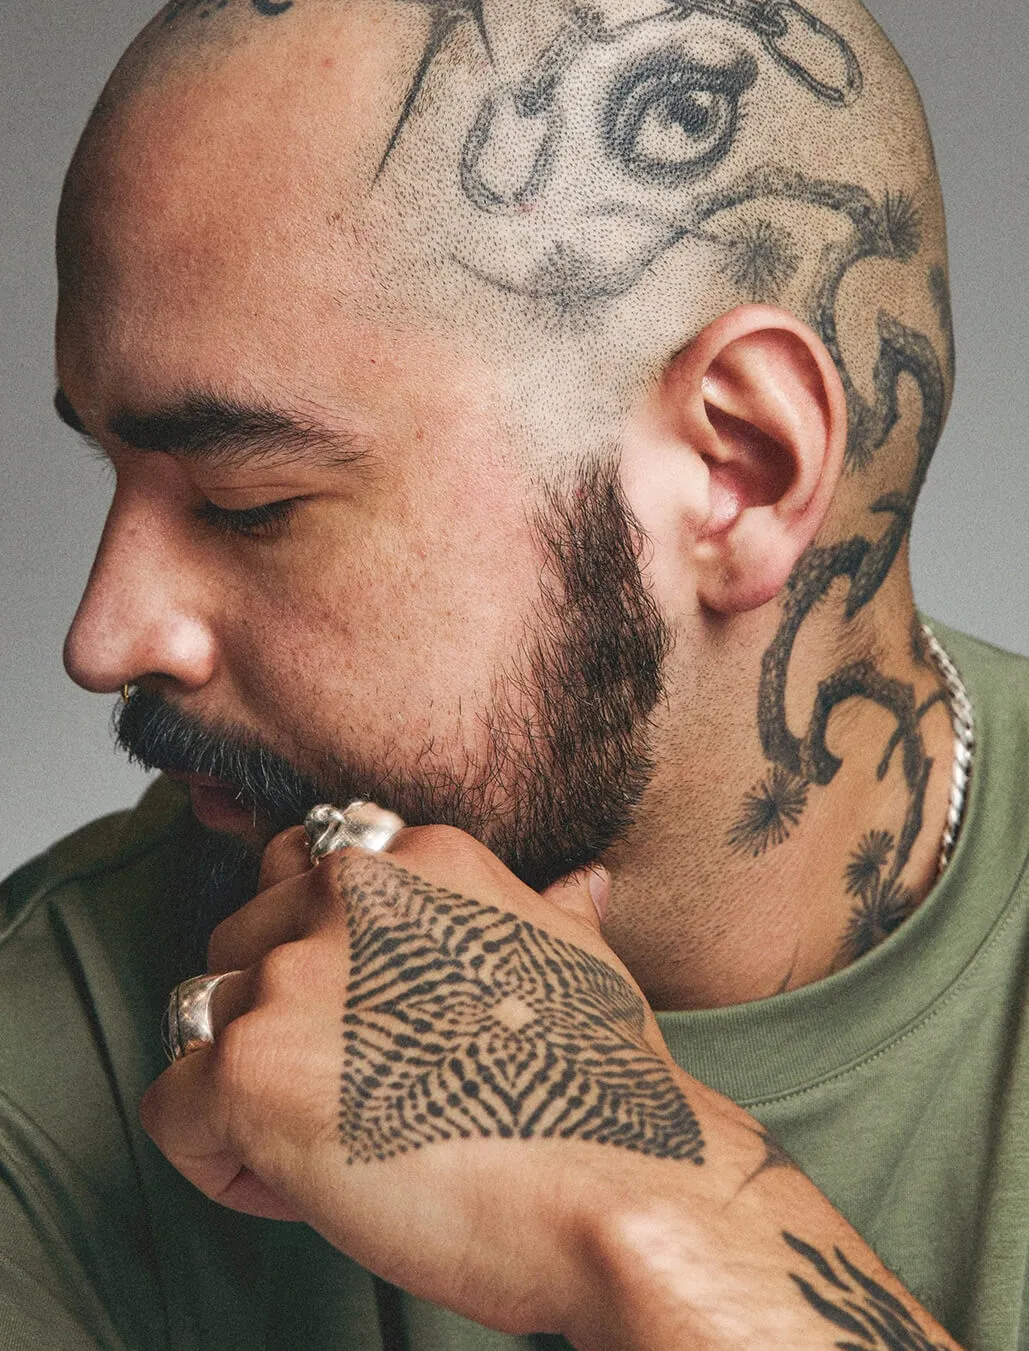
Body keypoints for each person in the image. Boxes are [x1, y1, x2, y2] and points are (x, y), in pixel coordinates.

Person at [2, 0, 1026, 1346]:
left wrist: (657, 1212)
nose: (105, 636)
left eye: (250, 500)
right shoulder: (46, 1065)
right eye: (111, 472)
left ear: (738, 470)